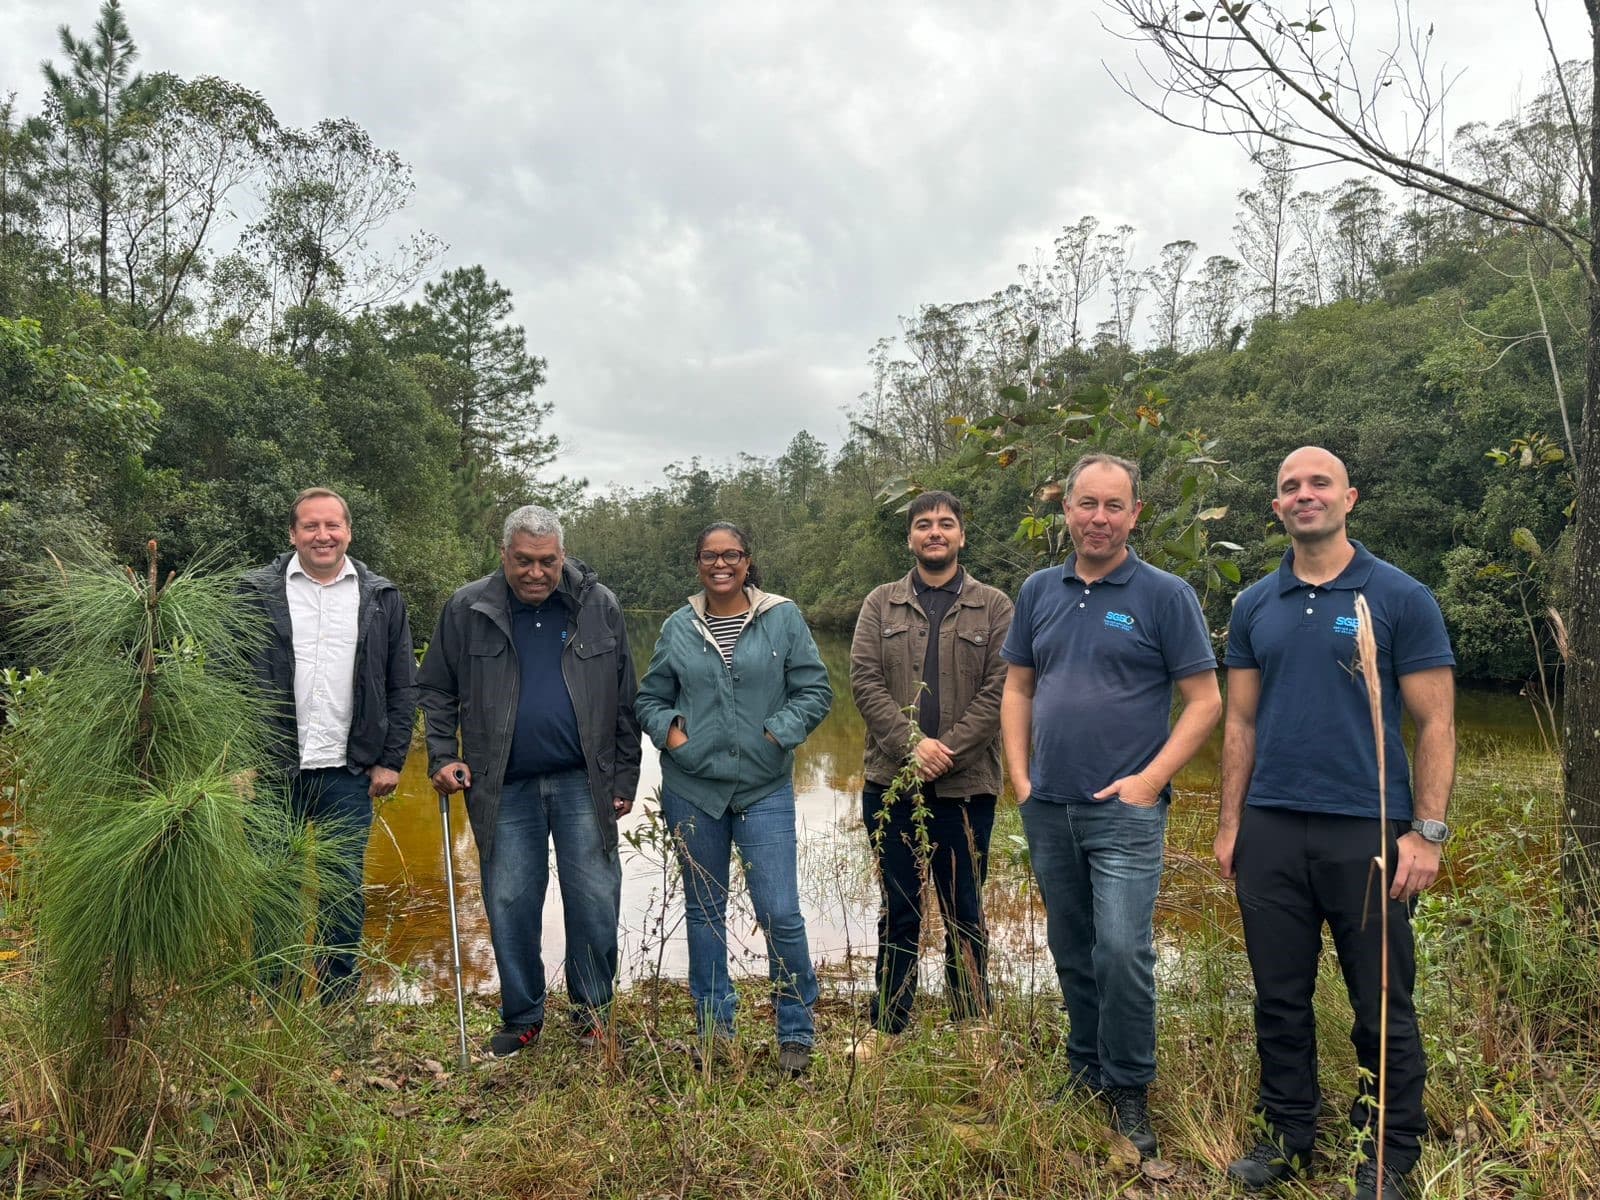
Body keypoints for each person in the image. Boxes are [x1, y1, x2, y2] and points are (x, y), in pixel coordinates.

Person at [1217, 447, 1455, 1200]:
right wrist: (1230, 826)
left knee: (1380, 1000)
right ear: (1276, 506)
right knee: (1278, 997)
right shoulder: (1254, 605)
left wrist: (1427, 831)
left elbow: (1438, 723)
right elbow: (1241, 724)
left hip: (1370, 832)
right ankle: (1288, 1134)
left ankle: (1386, 1151)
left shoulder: (1399, 597)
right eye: (1290, 486)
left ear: (1349, 498)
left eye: (1319, 483)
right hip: (1273, 830)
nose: (1304, 495)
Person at [1000, 453, 1221, 1159]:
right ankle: (1085, 1067)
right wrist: (1020, 776)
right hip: (1048, 804)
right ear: (1065, 510)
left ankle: (1129, 1088)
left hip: (1126, 810)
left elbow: (1205, 702)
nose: (1098, 518)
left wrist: (1151, 780)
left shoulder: (1164, 594)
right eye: (1086, 503)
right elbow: (1018, 688)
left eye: (1113, 506)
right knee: (1072, 947)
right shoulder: (1038, 590)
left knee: (1123, 949)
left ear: (1135, 514)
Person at [417, 504, 641, 1058]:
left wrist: (626, 778)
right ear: (504, 555)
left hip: (583, 783)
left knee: (593, 898)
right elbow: (437, 690)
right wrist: (443, 755)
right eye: (523, 561)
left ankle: (593, 1014)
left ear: (562, 555)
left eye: (545, 561)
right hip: (501, 785)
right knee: (511, 899)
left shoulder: (600, 605)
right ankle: (522, 1016)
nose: (535, 573)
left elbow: (625, 700)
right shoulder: (468, 607)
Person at [635, 522, 832, 1077]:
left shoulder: (782, 617)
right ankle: (714, 1029)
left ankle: (795, 1028)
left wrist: (775, 734)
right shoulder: (678, 626)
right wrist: (673, 733)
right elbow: (649, 698)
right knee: (704, 913)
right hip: (693, 789)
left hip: (763, 787)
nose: (720, 564)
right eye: (709, 556)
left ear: (748, 561)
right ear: (697, 563)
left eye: (732, 555)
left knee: (781, 912)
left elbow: (815, 691)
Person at [242, 486, 417, 1003]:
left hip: (349, 769)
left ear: (348, 531)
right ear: (293, 534)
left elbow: (402, 684)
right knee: (274, 888)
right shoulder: (254, 593)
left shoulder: (381, 597)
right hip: (272, 768)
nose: (323, 535)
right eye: (311, 526)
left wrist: (391, 760)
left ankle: (339, 1001)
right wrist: (236, 759)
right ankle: (273, 1000)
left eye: (332, 525)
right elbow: (229, 679)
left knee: (343, 889)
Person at [849, 490, 1012, 1042]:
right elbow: (865, 684)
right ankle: (889, 1026)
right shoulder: (880, 603)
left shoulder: (995, 606)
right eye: (924, 524)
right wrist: (911, 745)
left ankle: (971, 1025)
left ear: (962, 536)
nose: (934, 532)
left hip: (969, 787)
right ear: (912, 537)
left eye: (945, 524)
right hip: (890, 784)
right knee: (899, 908)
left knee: (965, 909)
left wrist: (947, 752)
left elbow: (1001, 691)